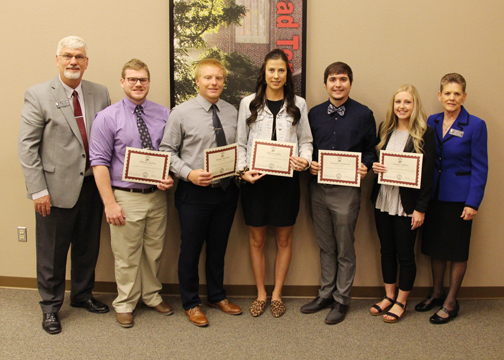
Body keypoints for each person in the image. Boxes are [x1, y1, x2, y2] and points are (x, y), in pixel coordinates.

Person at [18, 36, 110, 334]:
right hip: (54, 190)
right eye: (68, 56)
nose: (74, 61)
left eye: (79, 57)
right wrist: (38, 190)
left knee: (87, 247)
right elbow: (27, 148)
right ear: (57, 60)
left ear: (86, 62)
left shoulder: (100, 93)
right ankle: (50, 307)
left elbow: (107, 140)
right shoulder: (38, 94)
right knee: (52, 253)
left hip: (91, 187)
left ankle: (82, 295)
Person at [89, 59, 174, 328]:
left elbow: (170, 152)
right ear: (123, 82)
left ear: (149, 82)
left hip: (157, 196)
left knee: (154, 251)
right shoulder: (107, 117)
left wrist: (167, 176)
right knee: (126, 255)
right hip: (125, 196)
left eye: (143, 79)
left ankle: (151, 295)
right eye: (132, 79)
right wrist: (109, 203)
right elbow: (99, 161)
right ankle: (125, 303)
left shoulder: (164, 114)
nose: (138, 84)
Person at [160, 59, 242, 327]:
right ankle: (191, 302)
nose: (213, 83)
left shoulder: (232, 111)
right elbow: (166, 151)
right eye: (207, 78)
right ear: (197, 81)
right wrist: (189, 173)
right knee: (191, 250)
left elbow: (239, 149)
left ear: (224, 81)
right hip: (193, 193)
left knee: (218, 249)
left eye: (218, 78)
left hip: (226, 192)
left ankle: (217, 296)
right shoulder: (180, 113)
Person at [236, 49, 313, 318]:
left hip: (286, 182)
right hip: (255, 182)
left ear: (287, 74)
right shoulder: (248, 103)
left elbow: (306, 141)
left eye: (281, 70)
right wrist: (242, 171)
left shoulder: (299, 104)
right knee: (256, 239)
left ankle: (277, 294)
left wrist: (304, 160)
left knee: (284, 238)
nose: (276, 75)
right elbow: (240, 143)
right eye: (271, 70)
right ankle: (260, 294)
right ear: (264, 73)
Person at [300, 62, 376, 325]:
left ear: (350, 83)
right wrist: (310, 163)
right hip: (318, 189)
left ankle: (342, 299)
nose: (338, 84)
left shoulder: (364, 114)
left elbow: (370, 151)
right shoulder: (314, 114)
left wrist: (365, 166)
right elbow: (305, 146)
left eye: (343, 79)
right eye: (333, 79)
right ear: (325, 84)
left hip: (347, 190)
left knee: (344, 247)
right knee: (325, 246)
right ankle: (325, 295)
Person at [415, 73, 488, 324]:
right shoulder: (432, 121)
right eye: (447, 93)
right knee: (436, 248)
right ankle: (437, 293)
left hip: (460, 199)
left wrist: (473, 202)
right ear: (439, 95)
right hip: (434, 196)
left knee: (456, 251)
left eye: (457, 94)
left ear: (464, 97)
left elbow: (480, 167)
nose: (452, 98)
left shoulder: (476, 125)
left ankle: (450, 301)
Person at [369, 85, 435, 323]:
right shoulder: (384, 129)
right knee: (386, 250)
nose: (402, 107)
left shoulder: (426, 134)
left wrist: (421, 208)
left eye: (407, 102)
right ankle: (388, 295)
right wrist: (376, 168)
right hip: (383, 200)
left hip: (408, 205)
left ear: (414, 105)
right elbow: (378, 162)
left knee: (405, 254)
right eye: (398, 102)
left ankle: (402, 300)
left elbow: (428, 176)